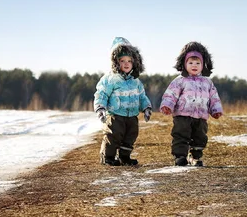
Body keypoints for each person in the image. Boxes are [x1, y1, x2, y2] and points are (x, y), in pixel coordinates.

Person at [160, 41, 223, 166]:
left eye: (198, 63)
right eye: (191, 63)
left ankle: (195, 156)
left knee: (200, 137)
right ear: (184, 63)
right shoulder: (180, 81)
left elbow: (213, 97)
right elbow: (171, 94)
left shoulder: (207, 82)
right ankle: (180, 156)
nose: (194, 65)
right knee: (181, 135)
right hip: (182, 114)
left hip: (200, 116)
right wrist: (167, 105)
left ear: (203, 64)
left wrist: (215, 109)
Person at [94, 37, 152, 166]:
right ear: (115, 62)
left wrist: (146, 107)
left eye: (129, 61)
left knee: (130, 136)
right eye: (122, 61)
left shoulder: (136, 81)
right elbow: (102, 94)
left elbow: (142, 96)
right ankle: (107, 157)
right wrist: (100, 107)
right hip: (115, 115)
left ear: (135, 62)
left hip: (132, 115)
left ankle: (124, 157)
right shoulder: (110, 79)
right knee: (113, 136)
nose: (126, 63)